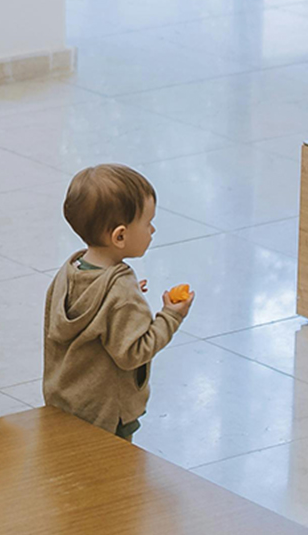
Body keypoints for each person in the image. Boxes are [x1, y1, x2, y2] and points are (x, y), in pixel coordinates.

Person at [42, 164, 194, 440]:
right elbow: (133, 352)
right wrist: (171, 316)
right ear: (120, 236)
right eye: (147, 223)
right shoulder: (120, 291)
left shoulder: (70, 270)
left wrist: (127, 296)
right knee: (112, 467)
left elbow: (90, 307)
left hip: (65, 401)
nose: (152, 230)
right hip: (107, 414)